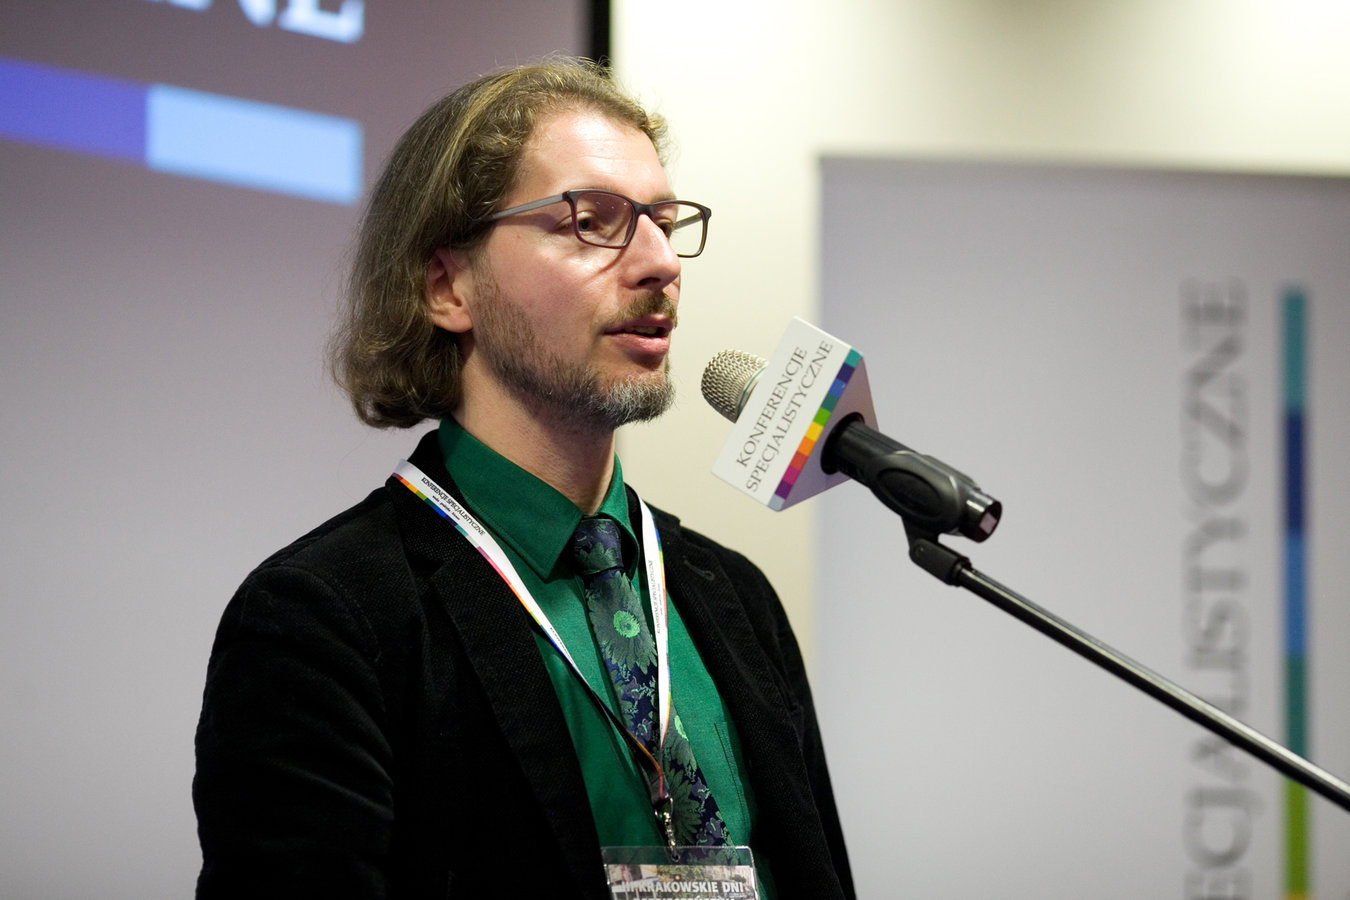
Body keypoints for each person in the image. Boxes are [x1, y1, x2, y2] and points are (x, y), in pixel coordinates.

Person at [193, 58, 854, 899]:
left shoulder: (736, 598)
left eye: (662, 221)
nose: (660, 263)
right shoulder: (325, 617)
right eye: (592, 221)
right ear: (448, 286)